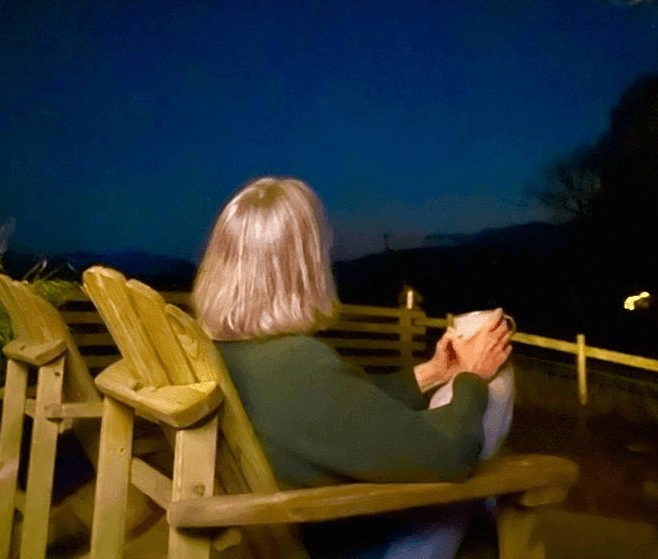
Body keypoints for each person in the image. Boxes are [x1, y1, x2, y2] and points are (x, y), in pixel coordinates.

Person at [193, 176, 513, 559]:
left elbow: (349, 408)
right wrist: (472, 377)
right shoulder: (298, 364)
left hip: (282, 532)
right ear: (304, 266)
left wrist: (433, 372)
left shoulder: (228, 353)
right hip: (354, 543)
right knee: (497, 381)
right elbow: (450, 456)